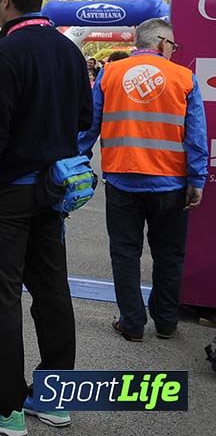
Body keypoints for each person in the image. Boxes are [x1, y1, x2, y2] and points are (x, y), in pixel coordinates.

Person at [0, 0, 91, 433]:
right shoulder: (69, 51)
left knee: (2, 298)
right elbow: (82, 118)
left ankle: (5, 407)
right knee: (53, 291)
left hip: (5, 195)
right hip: (53, 190)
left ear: (2, 0)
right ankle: (54, 398)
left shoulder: (4, 53)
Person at [78, 19, 206, 343]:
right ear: (162, 42)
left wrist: (77, 161)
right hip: (171, 185)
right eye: (174, 46)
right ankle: (165, 322)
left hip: (123, 180)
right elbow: (196, 134)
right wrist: (197, 178)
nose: (174, 51)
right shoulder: (184, 78)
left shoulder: (111, 74)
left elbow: (89, 126)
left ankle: (132, 323)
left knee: (124, 254)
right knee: (169, 255)